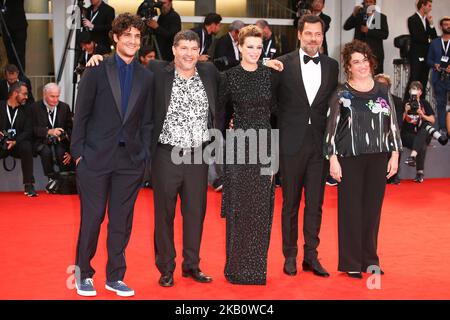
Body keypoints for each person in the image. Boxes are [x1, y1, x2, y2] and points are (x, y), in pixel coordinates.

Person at [71, 13, 153, 297]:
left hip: (129, 162)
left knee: (121, 221)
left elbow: (148, 121)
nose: (132, 41)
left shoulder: (147, 76)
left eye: (137, 37)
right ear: (116, 37)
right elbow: (80, 115)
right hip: (94, 158)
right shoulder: (96, 68)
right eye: (127, 35)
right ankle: (83, 272)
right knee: (92, 218)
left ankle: (115, 276)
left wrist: (144, 157)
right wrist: (78, 154)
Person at [325, 40, 402, 278]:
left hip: (379, 157)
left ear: (371, 61)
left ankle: (370, 259)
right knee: (350, 210)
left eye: (364, 60)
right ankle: (350, 262)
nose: (361, 65)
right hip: (350, 158)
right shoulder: (341, 93)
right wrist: (333, 158)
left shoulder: (382, 90)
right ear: (348, 66)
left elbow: (393, 124)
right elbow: (330, 128)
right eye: (355, 62)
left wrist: (395, 154)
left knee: (372, 211)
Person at [149, 30, 219, 288]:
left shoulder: (209, 72)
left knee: (195, 213)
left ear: (199, 52)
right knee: (164, 215)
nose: (189, 53)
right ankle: (166, 268)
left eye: (194, 48)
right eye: (184, 48)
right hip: (167, 154)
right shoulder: (158, 71)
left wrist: (265, 64)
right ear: (174, 50)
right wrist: (98, 57)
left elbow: (235, 77)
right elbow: (128, 65)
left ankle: (192, 265)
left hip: (198, 155)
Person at [272, 14, 339, 278]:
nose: (313, 39)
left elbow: (333, 105)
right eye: (309, 33)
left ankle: (311, 255)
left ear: (322, 36)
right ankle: (290, 256)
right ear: (299, 34)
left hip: (318, 146)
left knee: (315, 204)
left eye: (318, 34)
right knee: (290, 203)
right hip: (290, 144)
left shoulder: (332, 66)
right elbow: (272, 102)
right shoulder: (282, 64)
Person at [220, 25, 278, 285]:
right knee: (239, 209)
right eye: (250, 46)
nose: (254, 51)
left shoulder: (270, 76)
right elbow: (220, 115)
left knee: (260, 210)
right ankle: (235, 268)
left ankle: (255, 270)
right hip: (238, 147)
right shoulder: (229, 76)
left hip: (264, 146)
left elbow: (277, 116)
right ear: (240, 47)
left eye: (258, 47)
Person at [31, 83, 74, 193]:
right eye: (52, 96)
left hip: (61, 142)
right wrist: (49, 131)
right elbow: (31, 129)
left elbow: (70, 128)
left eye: (57, 96)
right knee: (45, 152)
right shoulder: (35, 108)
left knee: (62, 153)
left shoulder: (64, 107)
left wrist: (66, 138)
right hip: (41, 141)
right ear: (45, 94)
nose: (55, 100)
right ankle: (51, 179)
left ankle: (65, 180)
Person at [0, 81, 36, 196]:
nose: (27, 97)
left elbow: (28, 131)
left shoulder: (27, 110)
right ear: (15, 93)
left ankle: (29, 184)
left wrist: (15, 141)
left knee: (27, 146)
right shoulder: (0, 106)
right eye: (24, 94)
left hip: (17, 144)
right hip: (1, 143)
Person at [402, 81, 436, 183]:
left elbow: (432, 120)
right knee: (422, 144)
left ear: (420, 92)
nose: (415, 91)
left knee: (426, 126)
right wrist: (405, 111)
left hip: (421, 133)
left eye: (417, 89)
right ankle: (419, 173)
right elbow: (398, 122)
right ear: (409, 92)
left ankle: (412, 157)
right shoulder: (405, 103)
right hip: (408, 135)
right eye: (413, 89)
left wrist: (422, 115)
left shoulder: (424, 103)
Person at [343, 0, 389, 74]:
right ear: (364, 3)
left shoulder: (380, 17)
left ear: (374, 3)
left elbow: (385, 34)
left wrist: (369, 31)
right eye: (366, 2)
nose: (368, 4)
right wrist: (353, 14)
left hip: (375, 54)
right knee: (359, 75)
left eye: (370, 2)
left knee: (375, 77)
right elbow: (346, 27)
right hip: (359, 53)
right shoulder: (359, 16)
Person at [374, 73, 404, 185]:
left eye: (384, 84)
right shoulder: (368, 99)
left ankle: (392, 175)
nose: (381, 86)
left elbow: (398, 123)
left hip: (390, 132)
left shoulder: (397, 101)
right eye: (378, 84)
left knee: (396, 143)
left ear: (388, 86)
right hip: (372, 132)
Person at [405, 0, 437, 98]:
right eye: (429, 5)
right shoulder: (412, 19)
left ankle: (421, 104)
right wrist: (428, 39)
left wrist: (431, 24)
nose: (430, 8)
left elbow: (434, 37)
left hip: (426, 54)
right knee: (414, 79)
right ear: (422, 5)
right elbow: (416, 37)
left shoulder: (427, 20)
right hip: (416, 54)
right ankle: (407, 103)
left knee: (423, 80)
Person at [427, 16, 450, 135]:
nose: (448, 26)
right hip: (438, 77)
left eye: (449, 24)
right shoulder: (435, 42)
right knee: (440, 104)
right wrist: (434, 64)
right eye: (445, 24)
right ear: (441, 26)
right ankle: (442, 128)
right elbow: (428, 59)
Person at [0, 0, 27, 72]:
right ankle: (12, 76)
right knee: (10, 55)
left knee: (19, 54)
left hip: (18, 26)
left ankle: (19, 78)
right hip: (6, 26)